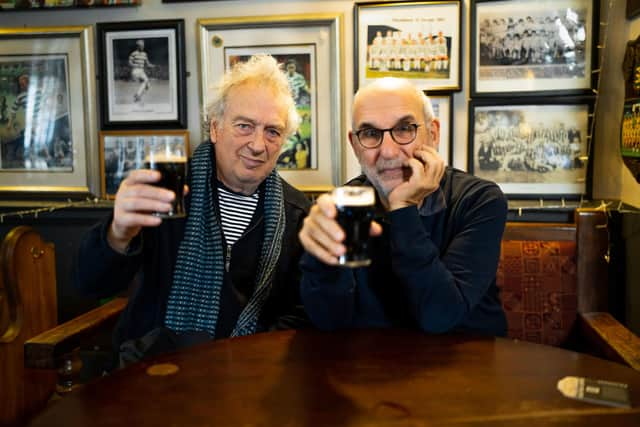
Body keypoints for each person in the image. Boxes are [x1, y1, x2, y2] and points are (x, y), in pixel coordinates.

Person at [73, 54, 311, 366]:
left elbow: (300, 310)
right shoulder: (164, 194)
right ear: (215, 129)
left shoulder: (297, 212)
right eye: (244, 126)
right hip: (154, 370)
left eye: (272, 131)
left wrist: (254, 358)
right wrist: (118, 234)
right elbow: (89, 283)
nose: (257, 144)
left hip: (251, 373)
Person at [298, 77, 508, 336]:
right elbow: (330, 320)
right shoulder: (346, 205)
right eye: (371, 134)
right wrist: (320, 259)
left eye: (404, 129)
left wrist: (403, 208)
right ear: (354, 144)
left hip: (465, 362)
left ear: (433, 134)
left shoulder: (478, 200)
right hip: (371, 367)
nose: (387, 151)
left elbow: (440, 315)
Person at [129, 39, 155, 104]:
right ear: (138, 46)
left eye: (143, 46)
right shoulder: (133, 53)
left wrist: (153, 66)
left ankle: (138, 97)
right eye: (141, 46)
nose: (143, 47)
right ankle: (137, 95)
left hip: (142, 71)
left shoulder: (145, 54)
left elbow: (147, 64)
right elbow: (129, 63)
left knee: (148, 86)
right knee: (145, 81)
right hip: (136, 70)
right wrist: (136, 65)